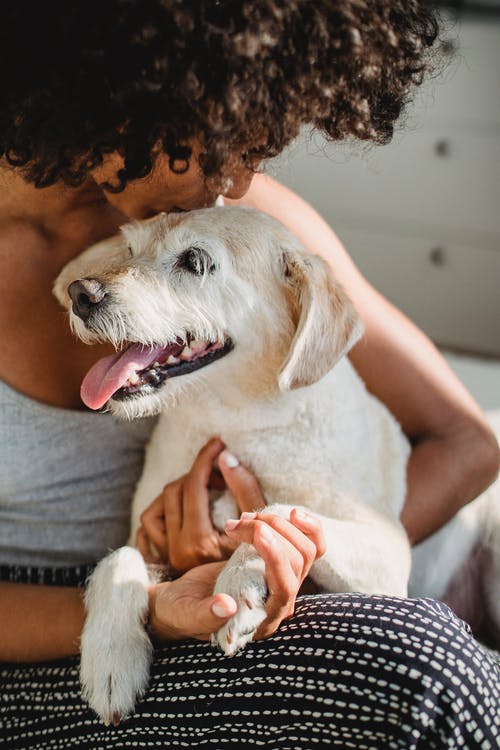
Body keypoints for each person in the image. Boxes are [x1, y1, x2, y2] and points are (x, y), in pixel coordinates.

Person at [0, 2, 498, 748]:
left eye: (257, 140)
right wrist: (147, 606)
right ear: (118, 86)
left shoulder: (240, 219)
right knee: (423, 676)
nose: (236, 176)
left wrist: (284, 550)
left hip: (223, 607)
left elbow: (467, 440)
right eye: (214, 132)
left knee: (426, 660)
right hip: (41, 646)